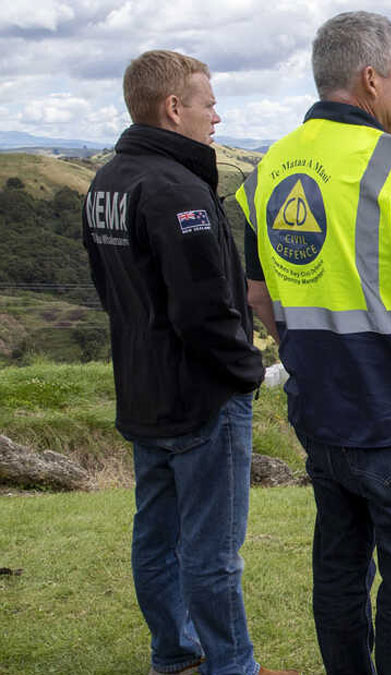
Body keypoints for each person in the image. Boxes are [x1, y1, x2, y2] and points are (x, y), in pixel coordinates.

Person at [234, 11, 391, 675]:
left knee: (340, 574)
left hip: (323, 420)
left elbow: (259, 295)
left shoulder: (269, 170)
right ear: (371, 79)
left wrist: (304, 354)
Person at [82, 50, 295, 675]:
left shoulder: (108, 182)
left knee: (156, 538)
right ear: (175, 108)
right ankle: (231, 667)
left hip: (143, 391)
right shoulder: (177, 189)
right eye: (208, 103)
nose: (217, 116)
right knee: (213, 551)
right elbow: (204, 309)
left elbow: (111, 292)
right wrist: (246, 373)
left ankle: (175, 655)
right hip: (202, 398)